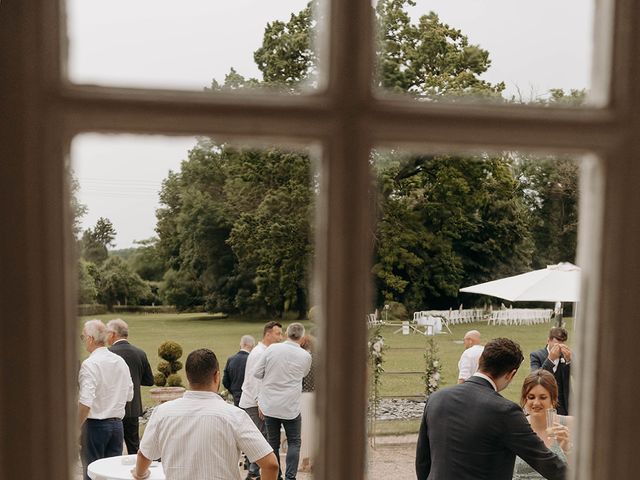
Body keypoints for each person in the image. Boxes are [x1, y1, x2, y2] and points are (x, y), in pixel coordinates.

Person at [415, 337, 567, 480]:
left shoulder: (437, 398)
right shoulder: (505, 411)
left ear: (481, 360)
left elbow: (423, 461)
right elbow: (544, 461)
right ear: (511, 374)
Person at [133, 348, 279, 480]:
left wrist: (140, 474)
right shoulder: (234, 415)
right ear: (217, 376)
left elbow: (144, 454)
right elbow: (271, 465)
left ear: (188, 377)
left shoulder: (162, 412)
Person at [255, 323, 312, 480]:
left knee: (272, 442)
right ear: (301, 338)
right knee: (294, 441)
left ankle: (276, 475)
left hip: (270, 405)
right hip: (290, 406)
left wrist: (271, 375)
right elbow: (304, 372)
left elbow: (257, 372)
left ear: (287, 334)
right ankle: (290, 477)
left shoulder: (272, 349)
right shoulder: (305, 356)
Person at [78, 319, 134, 480]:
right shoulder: (120, 362)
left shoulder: (90, 364)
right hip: (117, 426)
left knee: (92, 474)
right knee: (113, 475)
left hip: (95, 426)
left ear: (90, 338)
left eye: (83, 337)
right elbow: (129, 395)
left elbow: (85, 402)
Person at [239, 321, 283, 480]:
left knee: (262, 438)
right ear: (268, 334)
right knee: (262, 440)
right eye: (278, 334)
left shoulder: (264, 351)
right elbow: (254, 380)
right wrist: (260, 403)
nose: (281, 337)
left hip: (256, 401)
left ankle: (254, 472)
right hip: (254, 403)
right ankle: (253, 472)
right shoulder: (259, 353)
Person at [106, 318, 154, 455]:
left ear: (113, 334)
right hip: (133, 408)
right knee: (134, 447)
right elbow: (149, 380)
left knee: (113, 450)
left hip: (113, 408)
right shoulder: (140, 353)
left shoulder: (108, 354)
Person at [513, 369, 572, 479]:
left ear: (553, 400)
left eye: (543, 397)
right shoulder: (515, 427)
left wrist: (568, 450)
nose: (536, 403)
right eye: (531, 397)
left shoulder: (570, 425)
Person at [530, 327, 572, 415]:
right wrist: (550, 359)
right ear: (548, 341)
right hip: (545, 402)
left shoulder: (566, 355)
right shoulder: (536, 355)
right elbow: (535, 377)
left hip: (564, 404)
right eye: (557, 344)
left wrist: (569, 361)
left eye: (562, 343)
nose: (560, 347)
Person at [299, 334, 316, 472]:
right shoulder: (319, 358)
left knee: (303, 430)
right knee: (315, 429)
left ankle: (304, 461)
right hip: (317, 395)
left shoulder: (301, 359)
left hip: (303, 396)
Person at [223, 334, 256, 406]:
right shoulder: (252, 360)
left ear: (242, 344)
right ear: (252, 346)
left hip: (236, 396)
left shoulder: (231, 359)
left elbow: (225, 381)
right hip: (250, 399)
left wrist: (233, 391)